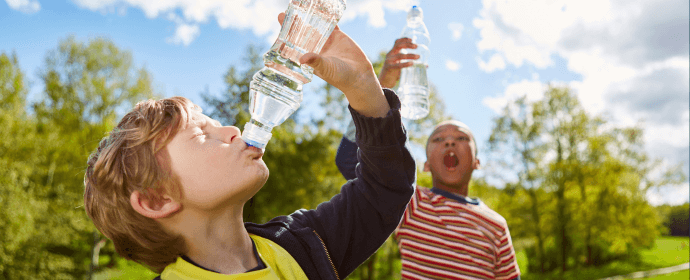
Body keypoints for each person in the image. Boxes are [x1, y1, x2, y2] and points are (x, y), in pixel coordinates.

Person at [83, 13, 415, 280]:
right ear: (157, 199)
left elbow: (384, 189)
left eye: (215, 124)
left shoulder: (303, 244)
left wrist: (363, 89)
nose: (230, 129)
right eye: (201, 135)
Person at [335, 39, 521, 280]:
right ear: (425, 164)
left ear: (477, 162)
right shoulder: (411, 204)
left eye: (462, 138)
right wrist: (380, 87)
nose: (449, 142)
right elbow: (349, 160)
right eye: (438, 139)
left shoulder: (497, 225)